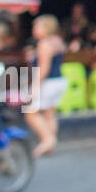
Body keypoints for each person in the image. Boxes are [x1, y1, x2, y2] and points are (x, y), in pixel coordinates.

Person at [22, 14, 66, 157]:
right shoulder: (57, 41)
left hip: (48, 82)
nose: (34, 29)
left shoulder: (45, 44)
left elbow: (43, 68)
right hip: (58, 80)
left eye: (37, 26)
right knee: (49, 113)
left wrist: (34, 87)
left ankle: (48, 140)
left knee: (30, 112)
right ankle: (49, 144)